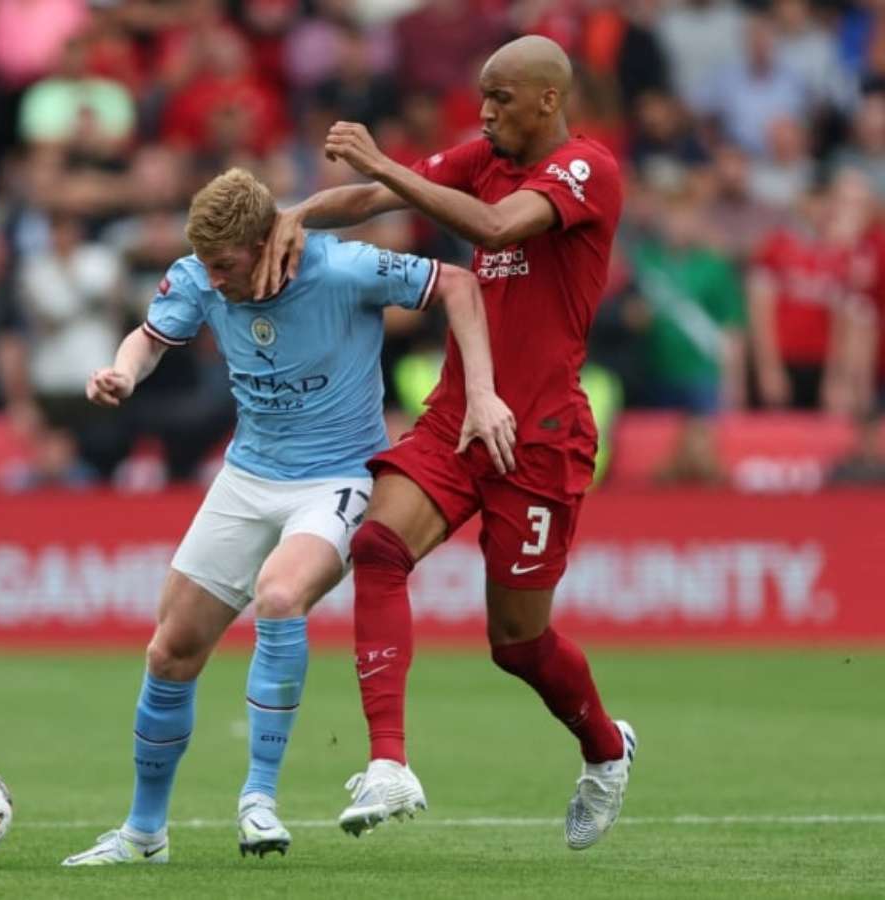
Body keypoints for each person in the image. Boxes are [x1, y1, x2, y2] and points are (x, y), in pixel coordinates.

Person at [61, 167, 514, 867]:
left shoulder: (342, 268)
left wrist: (480, 393)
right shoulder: (199, 276)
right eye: (205, 265)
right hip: (248, 476)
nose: (212, 281)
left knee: (279, 595)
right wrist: (123, 370)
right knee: (169, 651)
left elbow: (457, 282)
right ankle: (144, 834)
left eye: (224, 266)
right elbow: (149, 338)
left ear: (268, 241)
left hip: (336, 479)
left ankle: (258, 800)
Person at [255, 35, 636, 851]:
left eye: (500, 98)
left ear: (546, 100)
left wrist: (388, 164)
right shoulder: (484, 155)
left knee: (519, 645)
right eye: (482, 96)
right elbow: (376, 201)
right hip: (460, 413)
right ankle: (389, 763)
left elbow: (496, 228)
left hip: (536, 436)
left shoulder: (585, 170)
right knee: (380, 545)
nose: (486, 111)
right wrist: (297, 215)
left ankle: (606, 750)